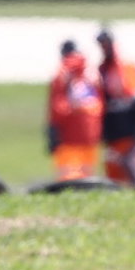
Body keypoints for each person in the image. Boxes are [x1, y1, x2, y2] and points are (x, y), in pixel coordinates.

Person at [94, 27, 135, 185]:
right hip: (113, 130)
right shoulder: (101, 70)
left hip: (130, 129)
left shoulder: (127, 67)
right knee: (113, 166)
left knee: (133, 167)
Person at [47, 39, 102, 181]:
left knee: (68, 180)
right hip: (91, 134)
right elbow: (100, 104)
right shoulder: (92, 74)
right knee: (88, 178)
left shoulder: (62, 75)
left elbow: (58, 108)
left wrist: (53, 128)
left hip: (69, 137)